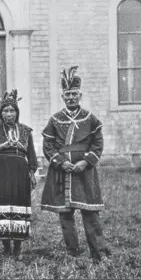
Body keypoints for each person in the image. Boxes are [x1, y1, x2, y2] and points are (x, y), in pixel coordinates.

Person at [40, 66, 110, 263]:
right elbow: (48, 145)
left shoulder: (90, 118)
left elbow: (97, 144)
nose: (71, 98)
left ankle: (97, 253)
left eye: (74, 94)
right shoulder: (55, 119)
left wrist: (84, 162)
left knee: (90, 212)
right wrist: (61, 163)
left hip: (84, 172)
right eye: (67, 94)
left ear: (80, 95)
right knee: (65, 214)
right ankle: (73, 252)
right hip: (62, 172)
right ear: (63, 97)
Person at [0, 89, 38, 257]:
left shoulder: (26, 131)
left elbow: (31, 155)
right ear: (0, 113)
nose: (9, 114)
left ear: (17, 113)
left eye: (12, 110)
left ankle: (18, 246)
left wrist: (32, 173)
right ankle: (6, 246)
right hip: (0, 172)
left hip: (20, 172)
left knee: (19, 204)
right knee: (2, 205)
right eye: (5, 111)